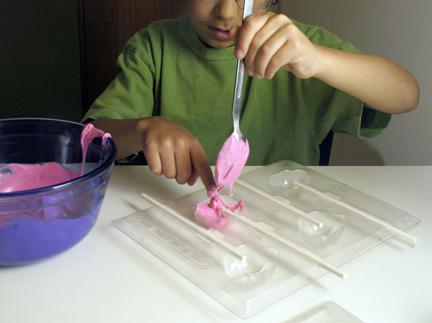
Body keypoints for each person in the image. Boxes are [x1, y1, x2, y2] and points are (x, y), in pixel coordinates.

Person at [83, 0, 419, 191]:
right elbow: (91, 141)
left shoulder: (300, 47)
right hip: (175, 222)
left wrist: (318, 60)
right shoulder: (152, 47)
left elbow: (406, 95)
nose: (227, 12)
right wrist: (144, 129)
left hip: (285, 229)